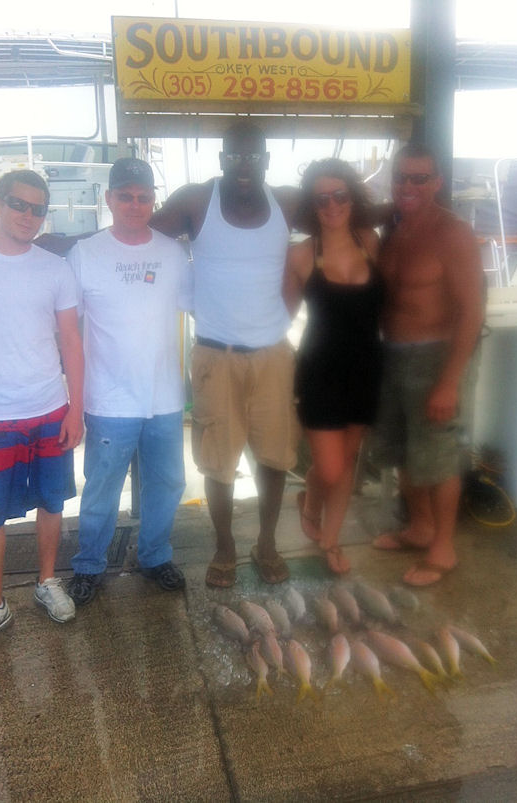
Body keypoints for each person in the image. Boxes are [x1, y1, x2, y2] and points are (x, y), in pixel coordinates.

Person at [150, 120, 302, 588]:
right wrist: (70, 248)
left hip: (274, 354)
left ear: (267, 162)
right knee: (218, 461)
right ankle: (225, 546)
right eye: (234, 156)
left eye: (253, 157)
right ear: (221, 159)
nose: (244, 165)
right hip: (216, 355)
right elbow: (138, 235)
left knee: (274, 457)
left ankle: (267, 542)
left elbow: (342, 218)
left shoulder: (288, 202)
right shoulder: (197, 200)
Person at [65, 158, 193, 606]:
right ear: (109, 199)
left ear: (152, 200)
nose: (135, 204)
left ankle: (154, 555)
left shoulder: (173, 253)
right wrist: (72, 400)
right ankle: (88, 564)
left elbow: (199, 309)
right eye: (125, 196)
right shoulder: (85, 254)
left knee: (169, 484)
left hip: (166, 398)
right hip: (109, 400)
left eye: (143, 196)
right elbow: (66, 330)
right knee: (101, 489)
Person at [0, 169, 83, 654]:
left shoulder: (56, 269)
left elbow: (71, 344)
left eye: (37, 209)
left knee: (52, 502)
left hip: (48, 408)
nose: (27, 215)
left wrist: (75, 409)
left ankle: (46, 581)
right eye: (18, 204)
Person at [372, 142, 484, 586]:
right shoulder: (395, 230)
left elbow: (473, 311)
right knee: (405, 452)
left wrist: (449, 382)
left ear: (437, 182)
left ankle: (443, 549)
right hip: (394, 356)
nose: (409, 185)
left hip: (437, 357)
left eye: (420, 178)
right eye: (402, 176)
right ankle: (419, 528)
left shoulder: (452, 233)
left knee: (438, 456)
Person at [283, 159, 383, 574]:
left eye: (340, 195)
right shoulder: (301, 255)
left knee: (348, 459)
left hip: (366, 370)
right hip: (320, 372)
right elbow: (281, 315)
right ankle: (310, 497)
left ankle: (331, 539)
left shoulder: (370, 241)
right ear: (313, 204)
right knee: (330, 466)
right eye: (322, 198)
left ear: (352, 198)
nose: (332, 205)